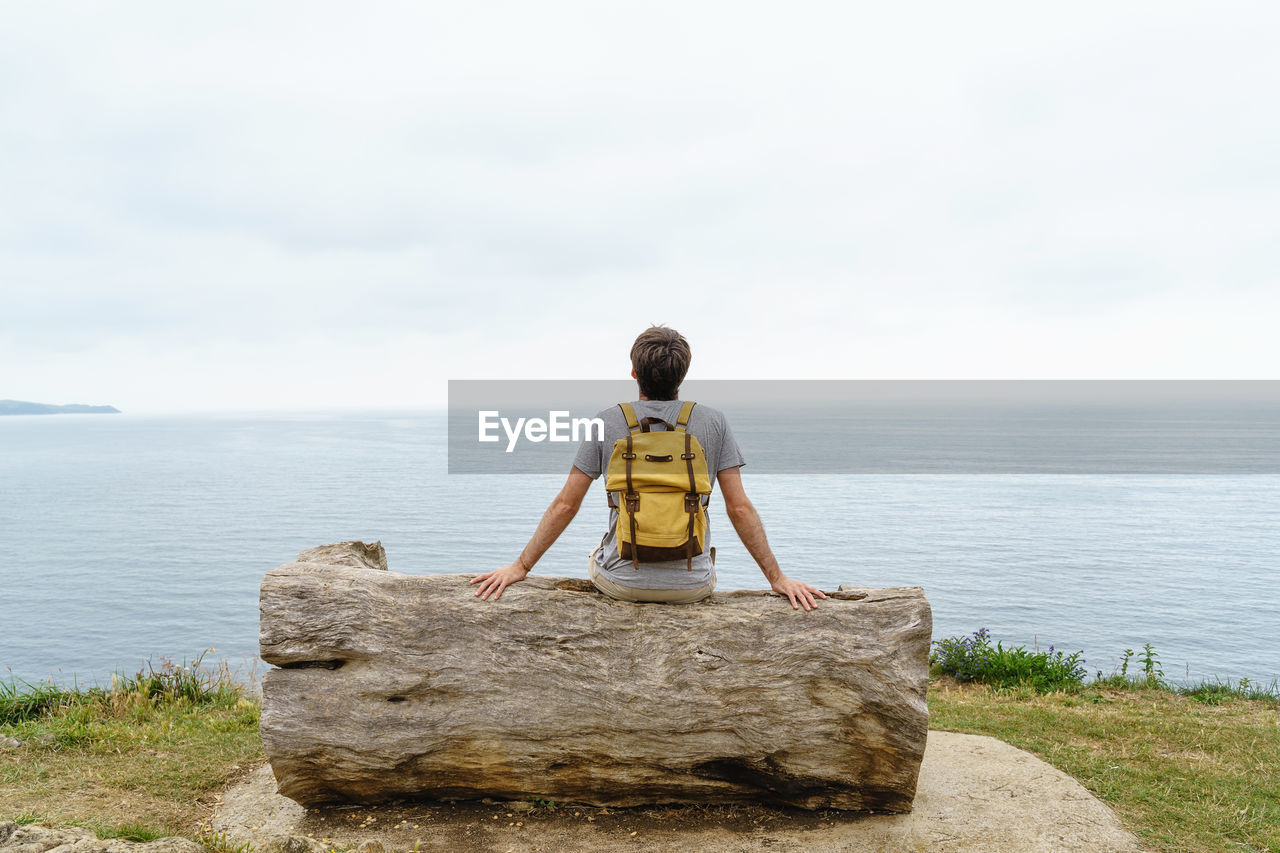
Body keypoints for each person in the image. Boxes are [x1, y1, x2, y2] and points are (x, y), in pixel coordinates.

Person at [470, 325, 827, 611]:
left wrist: (520, 567)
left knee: (596, 554)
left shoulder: (607, 422)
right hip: (693, 586)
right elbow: (739, 507)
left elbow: (566, 504)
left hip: (622, 585)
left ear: (634, 372)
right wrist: (777, 578)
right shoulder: (712, 422)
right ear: (682, 375)